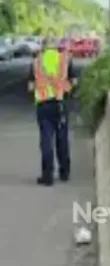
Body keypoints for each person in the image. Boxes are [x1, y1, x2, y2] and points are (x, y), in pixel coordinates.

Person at [28, 34, 77, 186]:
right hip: (60, 103)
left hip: (43, 105)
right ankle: (64, 173)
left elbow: (30, 86)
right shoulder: (65, 59)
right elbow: (74, 81)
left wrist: (42, 86)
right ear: (57, 45)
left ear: (43, 46)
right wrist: (64, 88)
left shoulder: (36, 62)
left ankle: (47, 176)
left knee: (46, 141)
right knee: (62, 139)